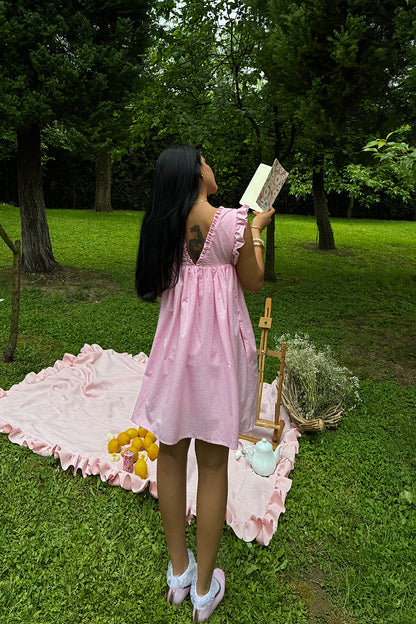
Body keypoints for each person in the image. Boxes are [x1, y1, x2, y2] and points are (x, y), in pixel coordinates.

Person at [132, 145, 274, 622]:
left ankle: (179, 574)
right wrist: (256, 229)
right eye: (207, 160)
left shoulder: (162, 226)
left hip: (174, 358)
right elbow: (252, 281)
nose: (213, 166)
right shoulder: (233, 223)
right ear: (197, 172)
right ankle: (204, 588)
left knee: (170, 456)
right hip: (216, 361)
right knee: (213, 465)